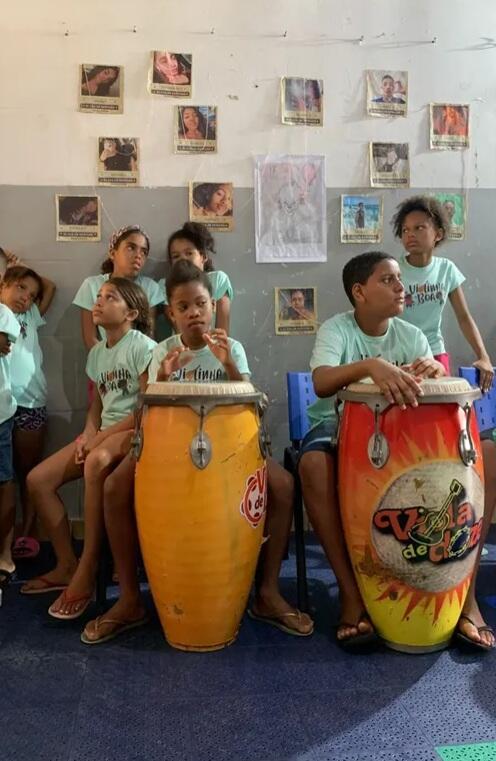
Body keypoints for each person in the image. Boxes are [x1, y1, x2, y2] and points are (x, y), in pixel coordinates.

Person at [81, 261, 313, 644]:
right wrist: (163, 378)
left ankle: (267, 592)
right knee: (114, 488)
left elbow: (251, 405)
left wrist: (229, 365)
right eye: (184, 307)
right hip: (166, 448)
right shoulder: (163, 351)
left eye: (201, 304)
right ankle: (129, 600)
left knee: (284, 486)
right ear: (171, 314)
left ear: (212, 306)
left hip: (231, 449)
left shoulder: (231, 348)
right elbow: (146, 411)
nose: (194, 313)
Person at [298, 252, 446, 649]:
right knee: (312, 464)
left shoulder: (413, 336)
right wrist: (371, 365)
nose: (400, 287)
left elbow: (429, 389)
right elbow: (322, 382)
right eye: (388, 279)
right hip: (337, 425)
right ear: (359, 292)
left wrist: (436, 372)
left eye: (399, 278)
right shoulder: (337, 329)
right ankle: (350, 592)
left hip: (399, 433)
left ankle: (424, 582)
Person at [20, 279, 156, 621]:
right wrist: (87, 435)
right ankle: (68, 564)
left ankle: (90, 563)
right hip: (103, 434)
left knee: (96, 460)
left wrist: (100, 439)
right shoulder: (97, 353)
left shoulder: (143, 347)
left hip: (133, 432)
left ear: (131, 313)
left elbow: (146, 409)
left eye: (110, 297)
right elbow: (96, 405)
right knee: (38, 480)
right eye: (98, 296)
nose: (99, 302)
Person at [392, 195, 493, 381]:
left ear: (438, 234)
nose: (410, 234)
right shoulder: (393, 270)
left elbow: (464, 317)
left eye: (419, 228)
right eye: (405, 230)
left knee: (442, 398)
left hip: (435, 353)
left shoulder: (446, 269)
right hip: (399, 354)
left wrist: (483, 356)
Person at [0, 255, 56, 560]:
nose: (26, 297)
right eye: (20, 287)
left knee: (28, 473)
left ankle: (29, 531)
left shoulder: (31, 314)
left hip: (31, 402)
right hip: (3, 405)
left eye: (31, 294)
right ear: (3, 285)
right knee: (4, 476)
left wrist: (17, 267)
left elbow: (51, 286)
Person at [73, 226, 163, 350]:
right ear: (112, 253)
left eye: (144, 252)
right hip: (104, 356)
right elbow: (90, 337)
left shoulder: (150, 288)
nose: (138, 255)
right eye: (131, 248)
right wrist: (106, 358)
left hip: (139, 356)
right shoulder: (92, 285)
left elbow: (149, 334)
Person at [158, 222, 233, 333]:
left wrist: (215, 344)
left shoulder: (218, 280)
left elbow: (222, 331)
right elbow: (180, 330)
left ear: (203, 256)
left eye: (189, 253)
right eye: (176, 256)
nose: (183, 259)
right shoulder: (164, 285)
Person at [0, 299, 21, 589]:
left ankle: (4, 554)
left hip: (0, 415)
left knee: (4, 481)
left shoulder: (3, 312)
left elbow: (4, 343)